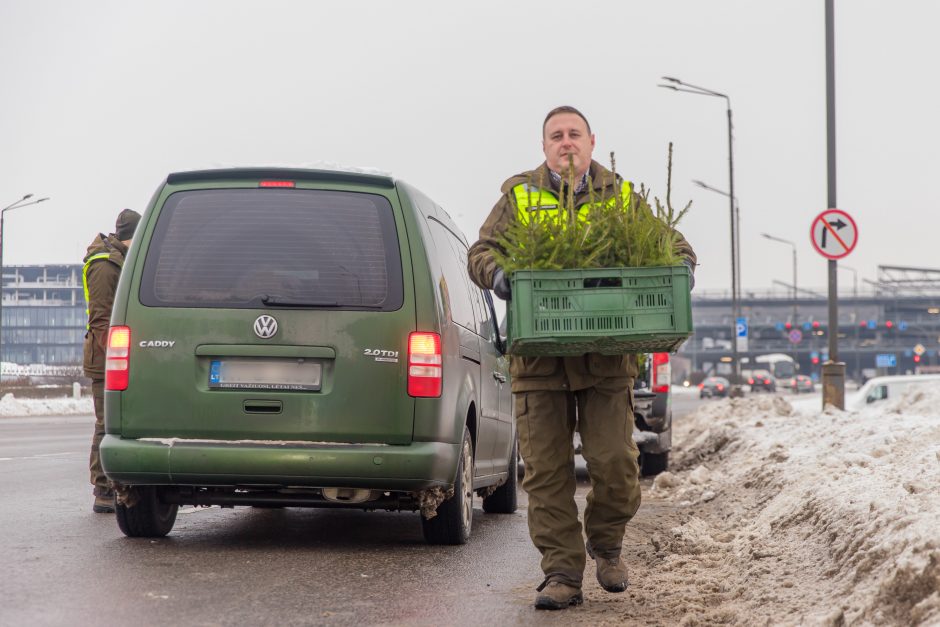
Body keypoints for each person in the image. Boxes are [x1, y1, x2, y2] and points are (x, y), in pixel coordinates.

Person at [467, 106, 696, 610]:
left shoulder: (621, 197)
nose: (565, 143)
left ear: (592, 142)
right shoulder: (519, 197)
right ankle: (562, 575)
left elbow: (672, 242)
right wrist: (499, 274)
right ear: (544, 146)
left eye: (574, 134)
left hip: (605, 358)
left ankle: (607, 541)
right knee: (547, 475)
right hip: (539, 362)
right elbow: (481, 252)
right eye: (556, 136)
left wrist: (680, 264)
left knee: (616, 465)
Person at [83, 208, 141, 513]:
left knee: (114, 422)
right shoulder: (105, 267)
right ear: (130, 237)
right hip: (105, 357)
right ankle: (103, 490)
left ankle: (113, 486)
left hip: (113, 354)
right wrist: (117, 359)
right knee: (107, 422)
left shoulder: (119, 261)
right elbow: (102, 319)